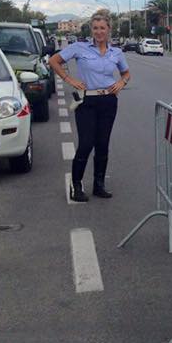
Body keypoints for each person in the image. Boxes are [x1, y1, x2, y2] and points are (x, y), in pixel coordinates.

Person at [49, 11, 131, 202]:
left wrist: (121, 83)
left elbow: (126, 73)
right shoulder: (79, 48)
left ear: (109, 29)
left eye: (102, 28)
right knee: (86, 144)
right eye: (95, 28)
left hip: (108, 101)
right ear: (91, 30)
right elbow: (54, 61)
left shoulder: (116, 52)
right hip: (86, 102)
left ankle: (99, 185)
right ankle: (76, 185)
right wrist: (69, 79)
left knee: (103, 144)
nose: (99, 32)